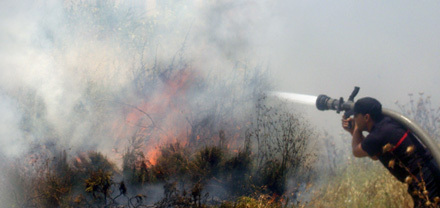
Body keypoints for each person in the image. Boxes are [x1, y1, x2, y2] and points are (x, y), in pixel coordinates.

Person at [342, 97, 440, 207]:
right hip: (431, 169)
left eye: (356, 116)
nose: (354, 119)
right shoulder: (388, 123)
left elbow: (356, 151)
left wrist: (355, 129)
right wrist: (354, 130)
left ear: (366, 117)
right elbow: (374, 155)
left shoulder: (377, 135)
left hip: (424, 179)